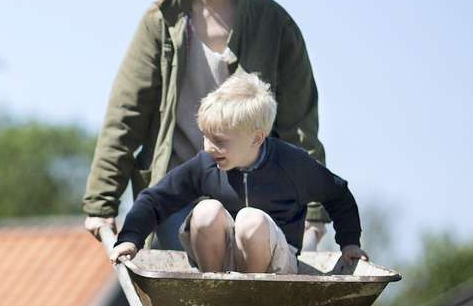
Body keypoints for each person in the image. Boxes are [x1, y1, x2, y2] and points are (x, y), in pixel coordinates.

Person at [82, 0, 329, 251]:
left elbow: (300, 124)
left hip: (255, 188)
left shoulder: (273, 24)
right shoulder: (163, 24)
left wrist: (315, 210)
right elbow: (126, 116)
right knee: (192, 272)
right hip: (181, 185)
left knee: (252, 279)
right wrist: (101, 202)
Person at [106, 72, 367, 272]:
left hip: (274, 265)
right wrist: (131, 238)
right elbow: (155, 199)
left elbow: (338, 195)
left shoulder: (290, 164)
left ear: (256, 138)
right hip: (223, 259)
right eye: (206, 137)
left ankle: (251, 295)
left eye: (219, 140)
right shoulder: (207, 164)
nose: (209, 147)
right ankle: (213, 286)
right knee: (206, 212)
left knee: (250, 221)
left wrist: (350, 242)